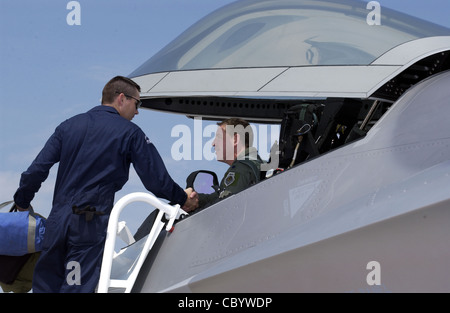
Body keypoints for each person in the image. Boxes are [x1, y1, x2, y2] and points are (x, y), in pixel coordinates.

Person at [13, 76, 198, 293]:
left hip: (56, 224)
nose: (137, 112)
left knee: (45, 289)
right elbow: (157, 181)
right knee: (76, 288)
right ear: (122, 98)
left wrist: (22, 203)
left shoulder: (68, 126)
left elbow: (36, 171)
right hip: (88, 225)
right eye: (137, 104)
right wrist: (183, 199)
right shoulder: (130, 133)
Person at [195, 118, 264, 209]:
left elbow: (226, 209)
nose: (213, 143)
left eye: (219, 137)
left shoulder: (240, 170)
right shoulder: (255, 164)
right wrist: (193, 199)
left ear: (235, 139)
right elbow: (216, 197)